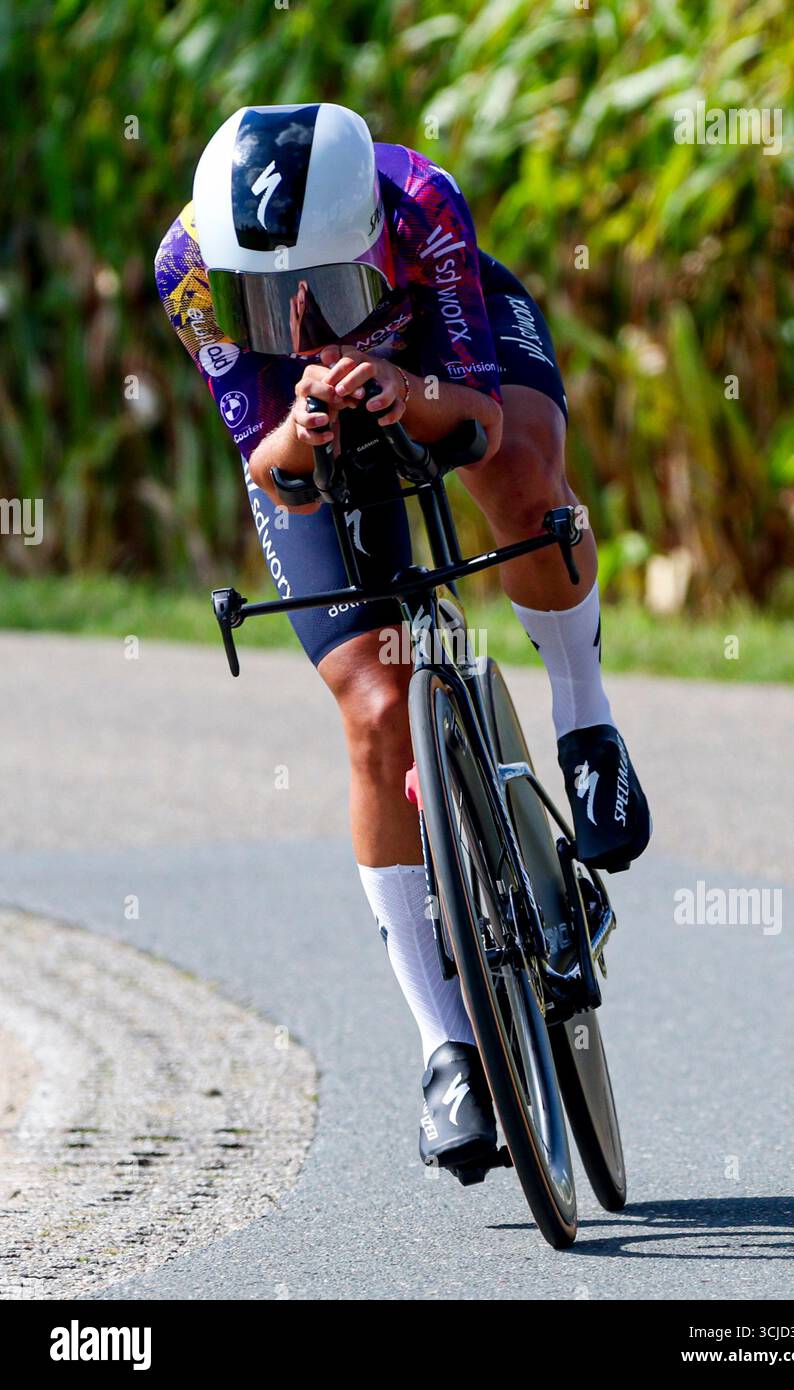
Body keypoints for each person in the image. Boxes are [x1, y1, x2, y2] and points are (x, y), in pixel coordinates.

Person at [155, 102, 651, 1177]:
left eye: (331, 292)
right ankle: (447, 1050)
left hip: (437, 356)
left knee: (522, 471)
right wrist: (308, 422)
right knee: (379, 711)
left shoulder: (419, 199)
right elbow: (268, 463)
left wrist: (409, 393)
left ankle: (586, 720)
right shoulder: (187, 270)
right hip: (308, 425)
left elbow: (476, 417)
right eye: (267, 302)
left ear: (373, 240)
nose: (302, 322)